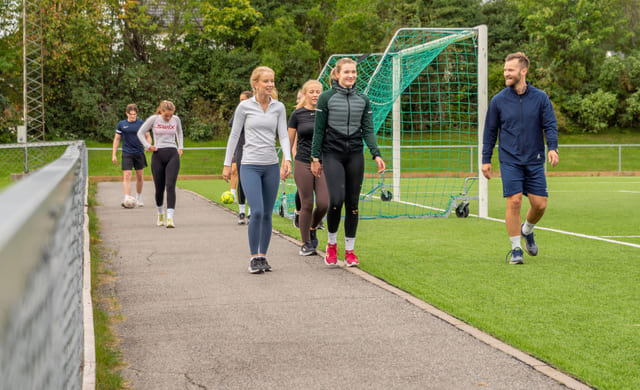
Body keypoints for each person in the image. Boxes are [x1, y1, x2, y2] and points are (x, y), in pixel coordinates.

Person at [481, 52, 559, 265]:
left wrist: (553, 148)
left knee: (540, 205)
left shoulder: (540, 98)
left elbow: (550, 125)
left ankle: (527, 230)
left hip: (535, 160)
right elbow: (490, 132)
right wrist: (485, 159)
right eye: (505, 70)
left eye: (510, 70)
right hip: (509, 159)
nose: (506, 73)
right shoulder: (498, 101)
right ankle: (516, 249)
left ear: (523, 71)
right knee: (514, 201)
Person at [310, 58, 385, 267]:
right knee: (336, 200)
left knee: (353, 204)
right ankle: (331, 245)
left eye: (353, 72)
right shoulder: (326, 98)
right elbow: (318, 130)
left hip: (354, 154)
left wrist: (376, 154)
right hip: (332, 154)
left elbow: (368, 130)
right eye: (346, 72)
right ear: (337, 74)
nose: (351, 75)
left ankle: (350, 251)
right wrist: (315, 158)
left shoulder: (364, 99)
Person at [222, 66, 292, 274]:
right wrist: (227, 164)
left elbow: (284, 135)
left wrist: (287, 159)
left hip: (270, 165)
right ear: (255, 84)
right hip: (249, 165)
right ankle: (253, 257)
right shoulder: (244, 108)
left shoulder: (278, 107)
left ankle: (263, 256)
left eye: (272, 81)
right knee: (257, 211)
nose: (270, 84)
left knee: (268, 214)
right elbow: (234, 136)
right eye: (266, 81)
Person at [288, 80, 328, 256]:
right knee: (307, 203)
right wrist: (285, 162)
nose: (315, 95)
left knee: (324, 202)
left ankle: (312, 226)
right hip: (303, 162)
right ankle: (305, 242)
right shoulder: (297, 114)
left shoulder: (327, 113)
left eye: (318, 91)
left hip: (324, 163)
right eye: (311, 92)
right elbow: (288, 141)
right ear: (305, 94)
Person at [137, 100, 184, 228]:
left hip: (172, 154)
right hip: (158, 154)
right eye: (166, 115)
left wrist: (181, 147)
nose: (168, 118)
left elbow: (179, 132)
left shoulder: (176, 119)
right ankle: (160, 213)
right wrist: (148, 145)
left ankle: (170, 218)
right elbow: (140, 133)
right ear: (161, 111)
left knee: (170, 186)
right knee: (159, 188)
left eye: (170, 115)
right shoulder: (154, 119)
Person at [112, 103, 147, 207]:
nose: (133, 116)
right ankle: (127, 198)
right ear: (127, 113)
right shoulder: (121, 124)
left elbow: (148, 136)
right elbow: (117, 139)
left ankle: (139, 197)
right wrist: (114, 154)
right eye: (131, 114)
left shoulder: (141, 123)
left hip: (139, 153)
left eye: (134, 114)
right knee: (127, 175)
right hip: (127, 153)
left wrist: (148, 145)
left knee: (139, 176)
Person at [229, 91, 253, 224]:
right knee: (242, 180)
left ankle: (251, 212)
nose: (241, 102)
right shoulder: (239, 112)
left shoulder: (256, 112)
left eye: (243, 100)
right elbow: (231, 125)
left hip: (253, 150)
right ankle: (242, 211)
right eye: (240, 100)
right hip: (240, 149)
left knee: (252, 181)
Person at [292, 89, 304, 228]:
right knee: (302, 188)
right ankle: (298, 212)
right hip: (301, 157)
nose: (297, 100)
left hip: (317, 158)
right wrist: (295, 156)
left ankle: (317, 218)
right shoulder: (296, 116)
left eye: (299, 97)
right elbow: (293, 141)